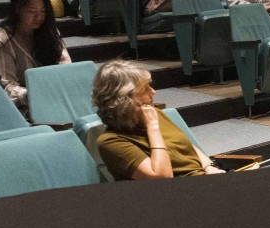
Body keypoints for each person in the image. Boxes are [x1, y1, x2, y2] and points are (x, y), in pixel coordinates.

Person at [93, 60, 223, 180]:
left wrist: (208, 166)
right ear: (125, 99)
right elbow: (162, 178)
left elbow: (187, 146)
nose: (153, 92)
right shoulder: (110, 142)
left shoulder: (154, 114)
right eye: (145, 89)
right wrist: (152, 128)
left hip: (203, 180)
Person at [0, 0, 71, 109]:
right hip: (24, 106)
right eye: (32, 11)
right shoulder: (1, 39)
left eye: (43, 11)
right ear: (17, 9)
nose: (39, 17)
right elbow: (7, 86)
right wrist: (32, 94)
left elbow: (66, 65)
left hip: (55, 96)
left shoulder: (50, 31)